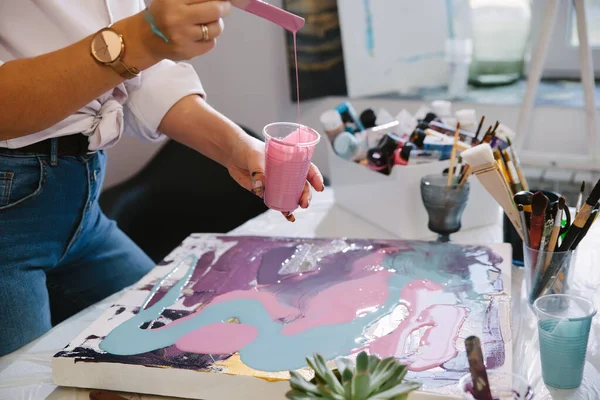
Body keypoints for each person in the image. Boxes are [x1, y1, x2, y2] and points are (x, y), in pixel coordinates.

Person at [0, 0, 324, 356]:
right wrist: (139, 37)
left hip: (81, 211)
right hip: (9, 218)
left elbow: (140, 76)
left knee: (168, 345)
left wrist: (240, 147)